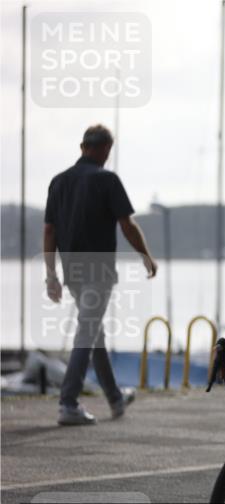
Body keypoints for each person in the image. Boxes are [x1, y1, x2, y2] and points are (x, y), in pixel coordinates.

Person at [44, 124, 158, 425]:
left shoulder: (58, 182)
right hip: (98, 269)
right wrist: (145, 255)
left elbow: (49, 230)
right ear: (105, 149)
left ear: (83, 146)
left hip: (72, 270)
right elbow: (127, 224)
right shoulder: (106, 179)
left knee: (94, 332)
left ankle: (116, 399)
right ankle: (68, 403)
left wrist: (51, 275)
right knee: (88, 330)